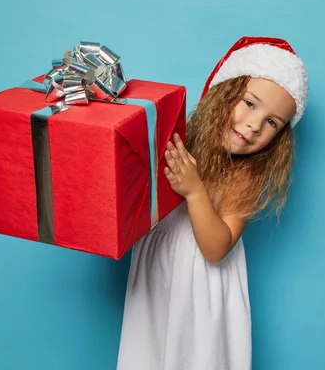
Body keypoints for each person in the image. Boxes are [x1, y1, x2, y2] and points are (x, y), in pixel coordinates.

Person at [116, 36, 309, 370]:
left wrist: (195, 191)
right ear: (224, 91)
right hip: (157, 273)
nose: (253, 125)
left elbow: (216, 249)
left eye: (272, 123)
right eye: (250, 104)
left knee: (195, 357)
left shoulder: (245, 175)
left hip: (201, 288)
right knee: (148, 354)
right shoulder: (179, 139)